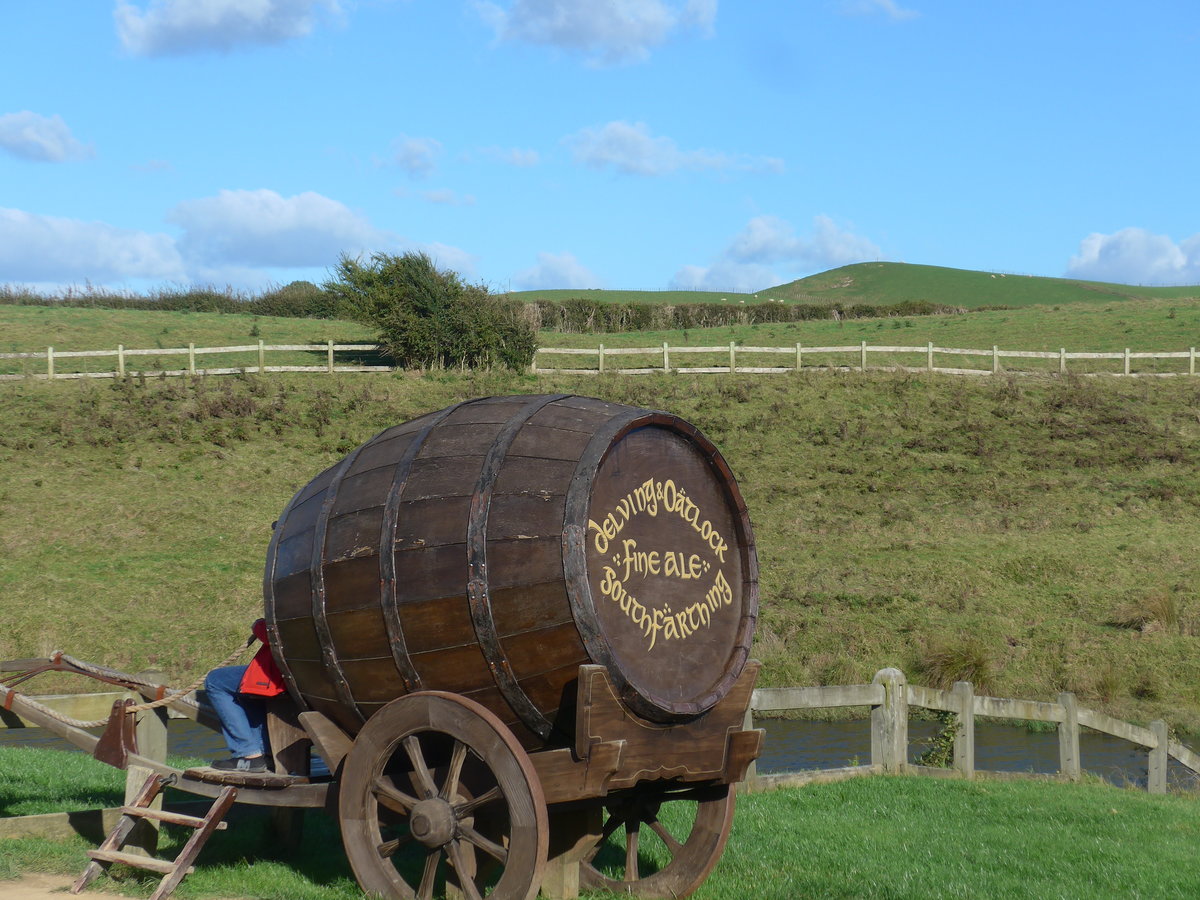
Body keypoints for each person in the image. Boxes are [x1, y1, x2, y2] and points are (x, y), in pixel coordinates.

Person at [205, 618, 285, 772]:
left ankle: (248, 754)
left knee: (215, 680)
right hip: (305, 678)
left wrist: (259, 626)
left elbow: (276, 636)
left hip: (281, 677)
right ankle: (264, 752)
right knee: (248, 688)